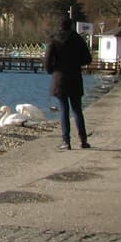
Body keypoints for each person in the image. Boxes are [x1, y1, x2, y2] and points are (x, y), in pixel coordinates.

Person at [44, 16, 92, 151]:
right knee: (77, 110)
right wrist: (76, 63)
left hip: (60, 78)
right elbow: (87, 58)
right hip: (75, 77)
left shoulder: (53, 40)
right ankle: (83, 140)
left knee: (64, 110)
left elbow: (47, 61)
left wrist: (52, 70)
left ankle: (66, 141)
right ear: (71, 26)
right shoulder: (78, 39)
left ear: (59, 26)